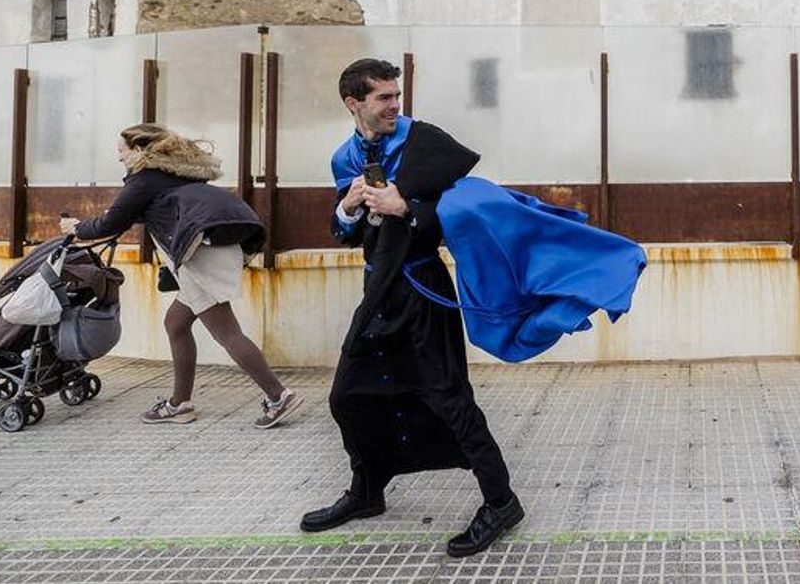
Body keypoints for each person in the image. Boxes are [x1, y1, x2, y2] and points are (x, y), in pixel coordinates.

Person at [300, 58, 523, 559]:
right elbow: (345, 233)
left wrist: (410, 210)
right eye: (383, 97)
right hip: (377, 290)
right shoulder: (343, 158)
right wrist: (348, 208)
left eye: (396, 95)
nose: (394, 105)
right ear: (353, 103)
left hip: (423, 284)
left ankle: (502, 501)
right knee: (348, 396)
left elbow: (463, 212)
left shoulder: (424, 141)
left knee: (448, 397)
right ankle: (366, 492)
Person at [62, 124, 301, 428]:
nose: (119, 158)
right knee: (176, 323)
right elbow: (138, 211)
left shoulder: (145, 178)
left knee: (226, 331)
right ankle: (180, 403)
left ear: (138, 151)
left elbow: (113, 222)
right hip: (211, 248)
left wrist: (76, 229)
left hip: (201, 255)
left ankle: (279, 395)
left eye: (121, 151)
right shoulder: (177, 173)